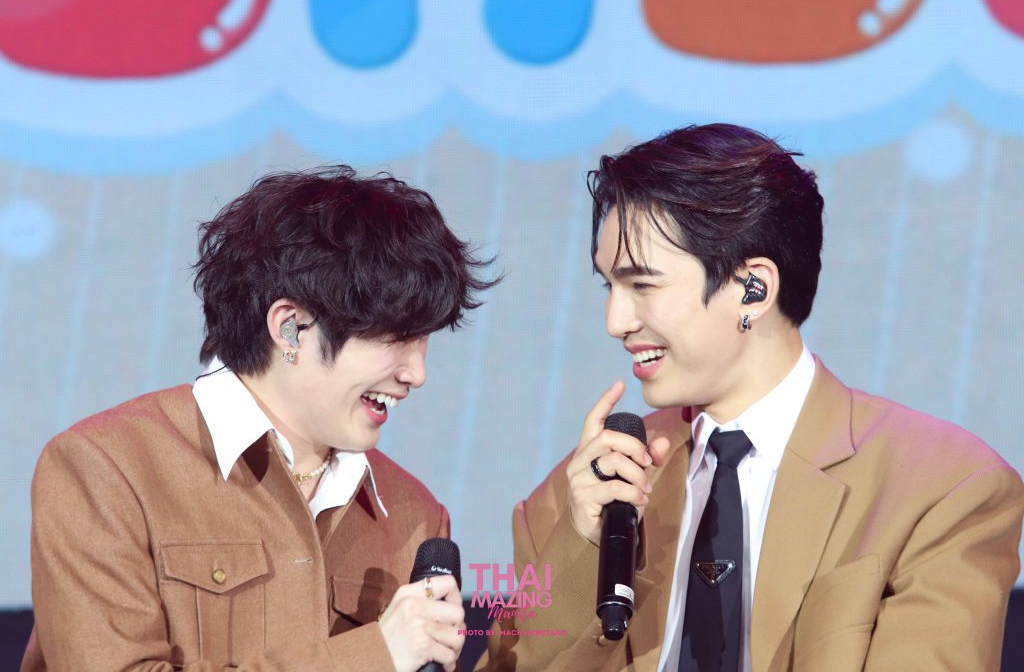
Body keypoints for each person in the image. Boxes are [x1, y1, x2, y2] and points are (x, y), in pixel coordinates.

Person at [479, 124, 1024, 671]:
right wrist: (583, 544)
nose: (615, 321)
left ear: (752, 288)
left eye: (642, 285)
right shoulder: (579, 493)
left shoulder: (942, 486)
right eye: (609, 287)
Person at [22, 166, 496, 671]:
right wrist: (374, 654)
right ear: (290, 329)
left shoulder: (412, 513)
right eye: (395, 338)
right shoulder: (107, 469)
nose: (417, 374)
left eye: (423, 342)